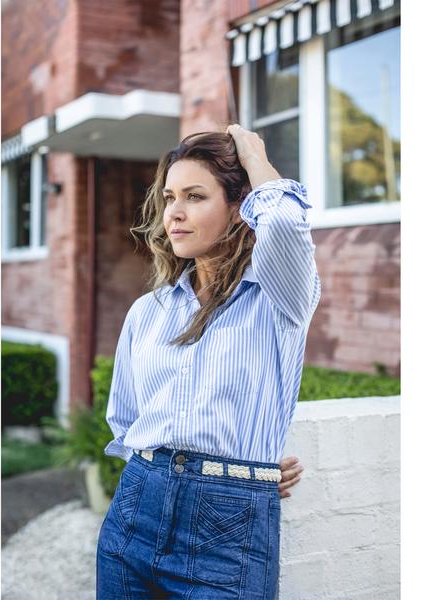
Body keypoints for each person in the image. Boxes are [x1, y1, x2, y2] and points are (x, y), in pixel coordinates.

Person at [96, 124, 321, 598]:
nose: (174, 214)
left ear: (239, 207)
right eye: (169, 197)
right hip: (135, 509)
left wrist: (254, 156)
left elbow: (282, 222)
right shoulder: (148, 311)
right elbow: (126, 419)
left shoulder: (280, 299)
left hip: (229, 529)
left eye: (195, 196)